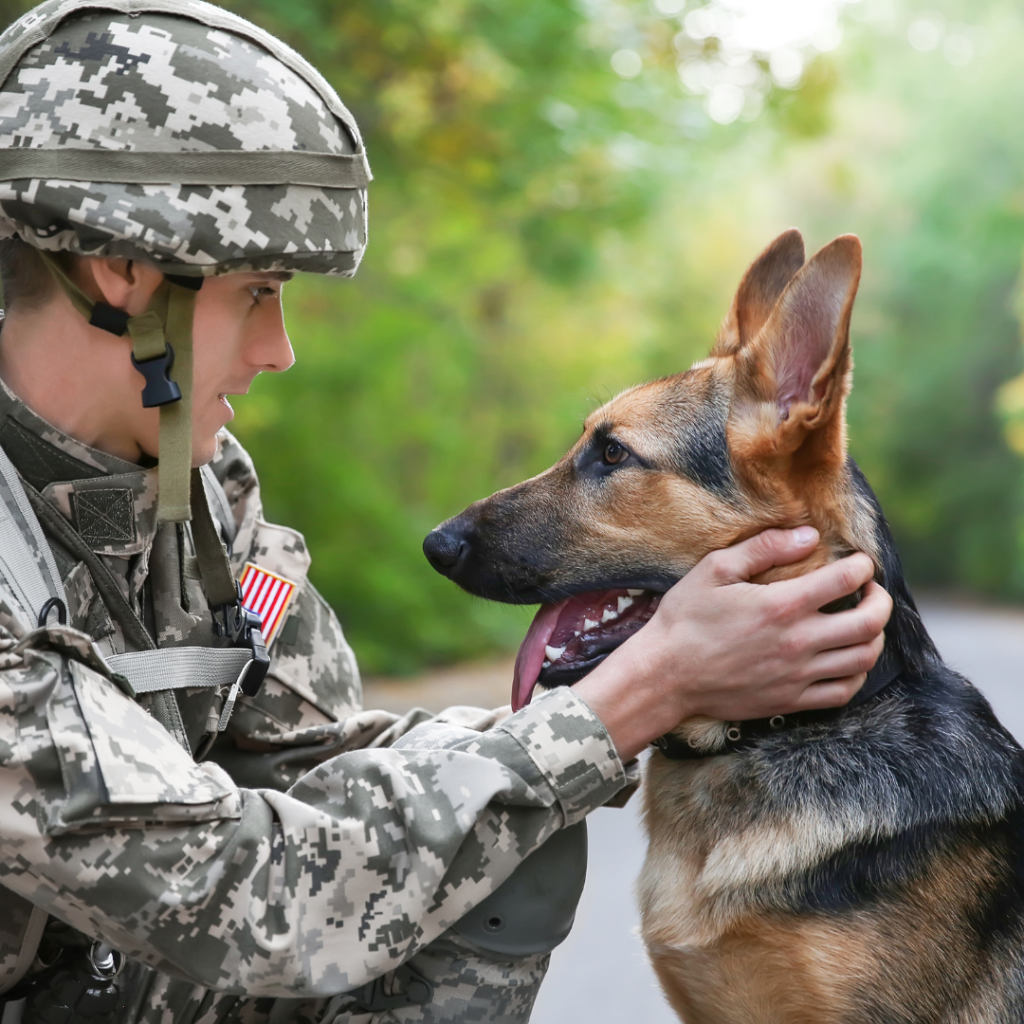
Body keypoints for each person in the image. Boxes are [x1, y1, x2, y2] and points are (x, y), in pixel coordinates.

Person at [0, 1, 892, 1022]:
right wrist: (636, 694)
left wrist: (635, 698)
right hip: (173, 931)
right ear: (125, 273)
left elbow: (318, 759)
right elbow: (243, 888)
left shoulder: (189, 490)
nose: (279, 347)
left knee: (498, 830)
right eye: (257, 291)